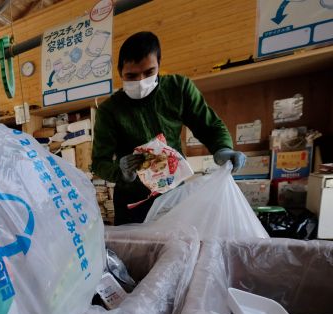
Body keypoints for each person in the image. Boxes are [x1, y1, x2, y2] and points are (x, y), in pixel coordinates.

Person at [91, 31, 246, 225]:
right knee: (135, 253)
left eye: (149, 73)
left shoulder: (178, 89)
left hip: (174, 195)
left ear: (159, 65)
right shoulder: (109, 110)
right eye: (131, 76)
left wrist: (222, 148)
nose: (140, 81)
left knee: (176, 248)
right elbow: (99, 162)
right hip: (133, 201)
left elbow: (209, 125)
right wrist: (121, 172)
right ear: (120, 72)